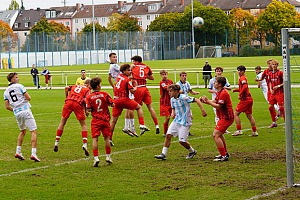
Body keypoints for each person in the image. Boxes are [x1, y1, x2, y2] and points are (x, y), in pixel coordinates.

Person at [154, 84, 207, 160]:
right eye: (169, 91)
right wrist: (173, 112)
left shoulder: (184, 97)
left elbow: (196, 100)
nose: (169, 93)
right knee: (168, 135)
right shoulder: (172, 99)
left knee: (182, 141)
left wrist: (203, 110)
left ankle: (192, 151)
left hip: (185, 122)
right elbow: (173, 107)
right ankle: (163, 154)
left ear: (176, 91)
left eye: (171, 91)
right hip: (177, 121)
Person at [4, 72, 40, 162]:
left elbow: (7, 106)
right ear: (12, 79)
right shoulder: (20, 86)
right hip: (25, 110)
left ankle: (18, 151)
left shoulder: (5, 92)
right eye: (16, 77)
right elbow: (28, 98)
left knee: (22, 131)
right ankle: (33, 153)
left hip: (17, 113)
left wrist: (15, 110)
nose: (18, 78)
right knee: (33, 131)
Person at [110, 63, 150, 144]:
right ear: (124, 71)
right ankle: (141, 125)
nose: (130, 71)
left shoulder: (119, 76)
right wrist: (136, 86)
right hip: (123, 99)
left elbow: (126, 77)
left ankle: (109, 138)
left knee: (113, 121)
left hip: (116, 100)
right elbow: (132, 91)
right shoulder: (126, 79)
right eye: (128, 70)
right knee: (138, 107)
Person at [200, 76, 234, 162]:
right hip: (223, 117)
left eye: (215, 82)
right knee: (220, 134)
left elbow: (218, 106)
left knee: (216, 135)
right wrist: (205, 101)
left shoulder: (223, 93)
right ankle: (224, 153)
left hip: (226, 117)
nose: (214, 83)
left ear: (219, 84)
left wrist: (208, 101)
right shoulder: (220, 92)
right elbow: (215, 101)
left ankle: (223, 155)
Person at [54, 79, 91, 156]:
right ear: (88, 85)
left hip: (68, 102)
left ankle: (56, 142)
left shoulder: (75, 85)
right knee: (83, 125)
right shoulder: (87, 89)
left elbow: (66, 87)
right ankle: (84, 144)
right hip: (77, 103)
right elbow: (86, 100)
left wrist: (67, 97)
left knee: (62, 123)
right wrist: (87, 109)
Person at [108, 52, 137, 139]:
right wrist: (132, 66)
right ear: (110, 58)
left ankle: (126, 127)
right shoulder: (114, 66)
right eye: (113, 57)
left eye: (116, 57)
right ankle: (131, 127)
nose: (115, 58)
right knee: (133, 107)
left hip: (119, 90)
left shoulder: (112, 67)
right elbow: (124, 69)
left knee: (115, 118)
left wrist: (114, 86)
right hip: (124, 89)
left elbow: (109, 78)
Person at [86, 77, 114, 167]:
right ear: (98, 86)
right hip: (105, 119)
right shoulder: (105, 94)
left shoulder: (89, 97)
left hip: (96, 120)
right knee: (106, 138)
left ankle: (96, 158)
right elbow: (112, 104)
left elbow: (89, 109)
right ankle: (108, 157)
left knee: (95, 139)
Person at [131, 55, 159, 134]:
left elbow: (128, 75)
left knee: (135, 107)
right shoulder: (146, 67)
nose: (132, 62)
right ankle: (157, 125)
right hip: (145, 88)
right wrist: (144, 76)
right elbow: (152, 77)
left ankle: (139, 125)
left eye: (133, 61)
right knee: (150, 107)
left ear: (136, 61)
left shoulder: (134, 67)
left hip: (138, 88)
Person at [232, 65, 258, 137]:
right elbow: (244, 88)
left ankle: (239, 130)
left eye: (240, 70)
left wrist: (240, 94)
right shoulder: (243, 78)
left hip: (245, 100)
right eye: (238, 70)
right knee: (249, 116)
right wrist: (237, 90)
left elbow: (245, 87)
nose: (238, 72)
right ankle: (254, 131)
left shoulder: (242, 78)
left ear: (243, 71)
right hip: (249, 99)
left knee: (235, 114)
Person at [176, 71, 199, 136]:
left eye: (185, 75)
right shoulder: (178, 84)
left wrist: (195, 93)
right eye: (183, 76)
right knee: (182, 117)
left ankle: (186, 131)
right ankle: (179, 131)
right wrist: (182, 91)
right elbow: (179, 92)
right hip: (180, 103)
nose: (184, 77)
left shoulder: (187, 83)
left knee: (189, 117)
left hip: (187, 101)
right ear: (180, 76)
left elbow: (190, 91)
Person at [267, 60, 285, 128]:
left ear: (277, 65)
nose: (274, 66)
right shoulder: (270, 73)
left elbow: (284, 82)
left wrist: (278, 86)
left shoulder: (280, 73)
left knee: (282, 108)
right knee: (270, 107)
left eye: (275, 64)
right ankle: (274, 122)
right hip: (273, 94)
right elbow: (270, 82)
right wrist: (271, 89)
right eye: (272, 64)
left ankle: (286, 122)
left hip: (280, 93)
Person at [159, 70, 173, 137]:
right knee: (167, 117)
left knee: (174, 116)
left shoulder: (170, 81)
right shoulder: (162, 82)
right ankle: (165, 132)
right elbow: (167, 88)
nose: (164, 75)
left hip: (171, 101)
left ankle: (175, 131)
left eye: (165, 74)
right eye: (162, 74)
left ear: (167, 74)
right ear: (161, 75)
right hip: (164, 102)